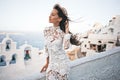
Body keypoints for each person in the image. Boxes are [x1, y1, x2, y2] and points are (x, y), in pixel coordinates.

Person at [40, 4, 80, 80]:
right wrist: (47, 63)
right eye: (50, 14)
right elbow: (46, 48)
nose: (49, 16)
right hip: (52, 65)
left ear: (59, 19)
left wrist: (67, 30)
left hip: (63, 64)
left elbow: (66, 47)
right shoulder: (46, 30)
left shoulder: (63, 32)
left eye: (53, 15)